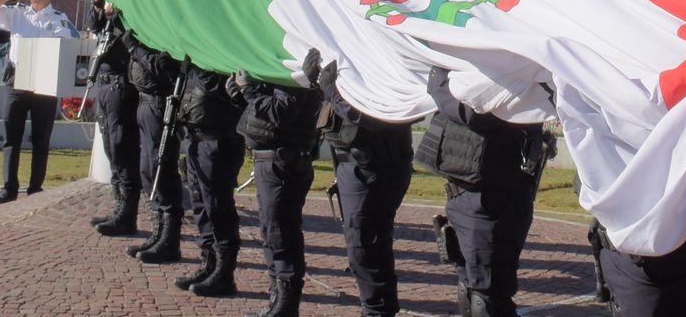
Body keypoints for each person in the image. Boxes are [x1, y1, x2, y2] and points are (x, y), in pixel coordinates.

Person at [423, 66, 556, 317]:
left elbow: (474, 111)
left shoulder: (510, 66)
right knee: (472, 286)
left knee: (488, 295)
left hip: (492, 195)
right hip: (469, 189)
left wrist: (438, 81)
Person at [314, 52, 416, 317]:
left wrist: (331, 90)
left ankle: (377, 311)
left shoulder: (386, 62)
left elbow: (370, 116)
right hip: (356, 165)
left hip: (376, 166)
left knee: (366, 245)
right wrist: (321, 85)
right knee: (361, 244)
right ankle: (374, 308)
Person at [0, 0, 78, 203]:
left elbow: (70, 43)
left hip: (45, 81)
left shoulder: (59, 18)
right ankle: (9, 188)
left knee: (41, 139)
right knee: (11, 137)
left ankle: (35, 188)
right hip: (17, 79)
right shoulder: (16, 14)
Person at [236, 61, 324, 317]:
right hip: (273, 161)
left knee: (281, 233)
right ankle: (277, 298)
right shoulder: (282, 71)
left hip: (283, 163)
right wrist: (241, 93)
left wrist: (249, 91)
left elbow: (280, 113)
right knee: (271, 231)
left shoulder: (294, 73)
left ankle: (286, 303)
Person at [172, 59, 247, 295]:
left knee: (217, 208)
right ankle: (209, 264)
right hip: (196, 138)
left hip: (218, 141)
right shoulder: (199, 60)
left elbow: (220, 86)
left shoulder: (220, 56)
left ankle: (224, 274)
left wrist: (196, 69)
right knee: (201, 207)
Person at [83, 0, 140, 233]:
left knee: (122, 147)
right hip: (105, 82)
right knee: (111, 148)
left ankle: (127, 213)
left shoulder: (132, 2)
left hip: (122, 82)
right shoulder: (107, 4)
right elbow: (94, 26)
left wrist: (115, 17)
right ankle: (119, 206)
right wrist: (98, 6)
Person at [127, 38, 186, 263]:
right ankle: (158, 233)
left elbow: (162, 68)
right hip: (146, 100)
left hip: (161, 102)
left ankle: (169, 240)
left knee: (161, 169)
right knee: (148, 170)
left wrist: (135, 48)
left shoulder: (164, 34)